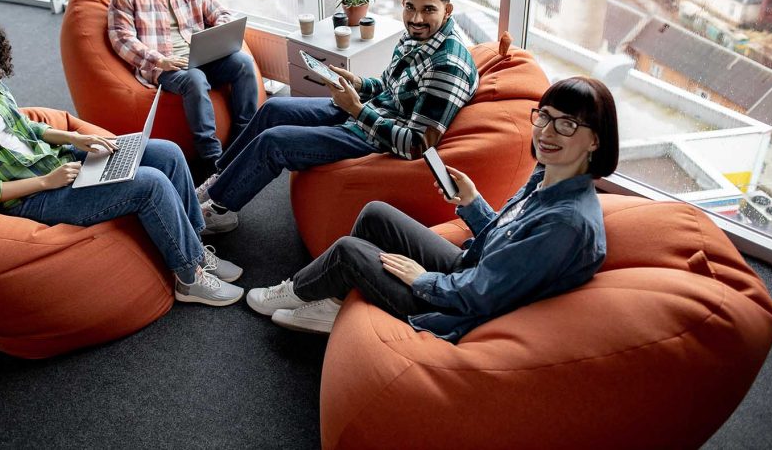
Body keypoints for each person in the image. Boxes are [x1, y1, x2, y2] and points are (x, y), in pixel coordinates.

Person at [0, 0, 244, 307]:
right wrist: (44, 183)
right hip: (30, 198)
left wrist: (74, 138)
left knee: (167, 152)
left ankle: (195, 249)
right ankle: (189, 278)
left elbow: (21, 127)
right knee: (149, 183)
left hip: (60, 163)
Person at [246, 76, 618, 340]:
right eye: (546, 116)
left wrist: (420, 278)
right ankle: (334, 302)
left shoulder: (565, 223)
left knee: (348, 252)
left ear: (595, 141)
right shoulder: (547, 176)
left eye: (567, 124)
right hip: (470, 270)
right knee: (376, 212)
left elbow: (483, 294)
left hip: (458, 309)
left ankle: (296, 290)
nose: (548, 132)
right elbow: (507, 246)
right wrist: (473, 205)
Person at [196, 0, 477, 235]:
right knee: (272, 107)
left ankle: (221, 210)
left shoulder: (446, 65)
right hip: (371, 112)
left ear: (447, 9)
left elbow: (417, 145)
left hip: (377, 137)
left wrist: (355, 109)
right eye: (410, 7)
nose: (416, 19)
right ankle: (222, 178)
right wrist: (357, 83)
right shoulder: (420, 36)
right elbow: (389, 86)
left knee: (274, 142)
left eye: (428, 10)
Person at [108, 0, 258, 176]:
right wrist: (159, 60)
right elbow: (121, 39)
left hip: (204, 54)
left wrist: (217, 35)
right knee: (194, 79)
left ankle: (245, 139)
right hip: (166, 65)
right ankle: (212, 159)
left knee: (243, 63)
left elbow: (220, 13)